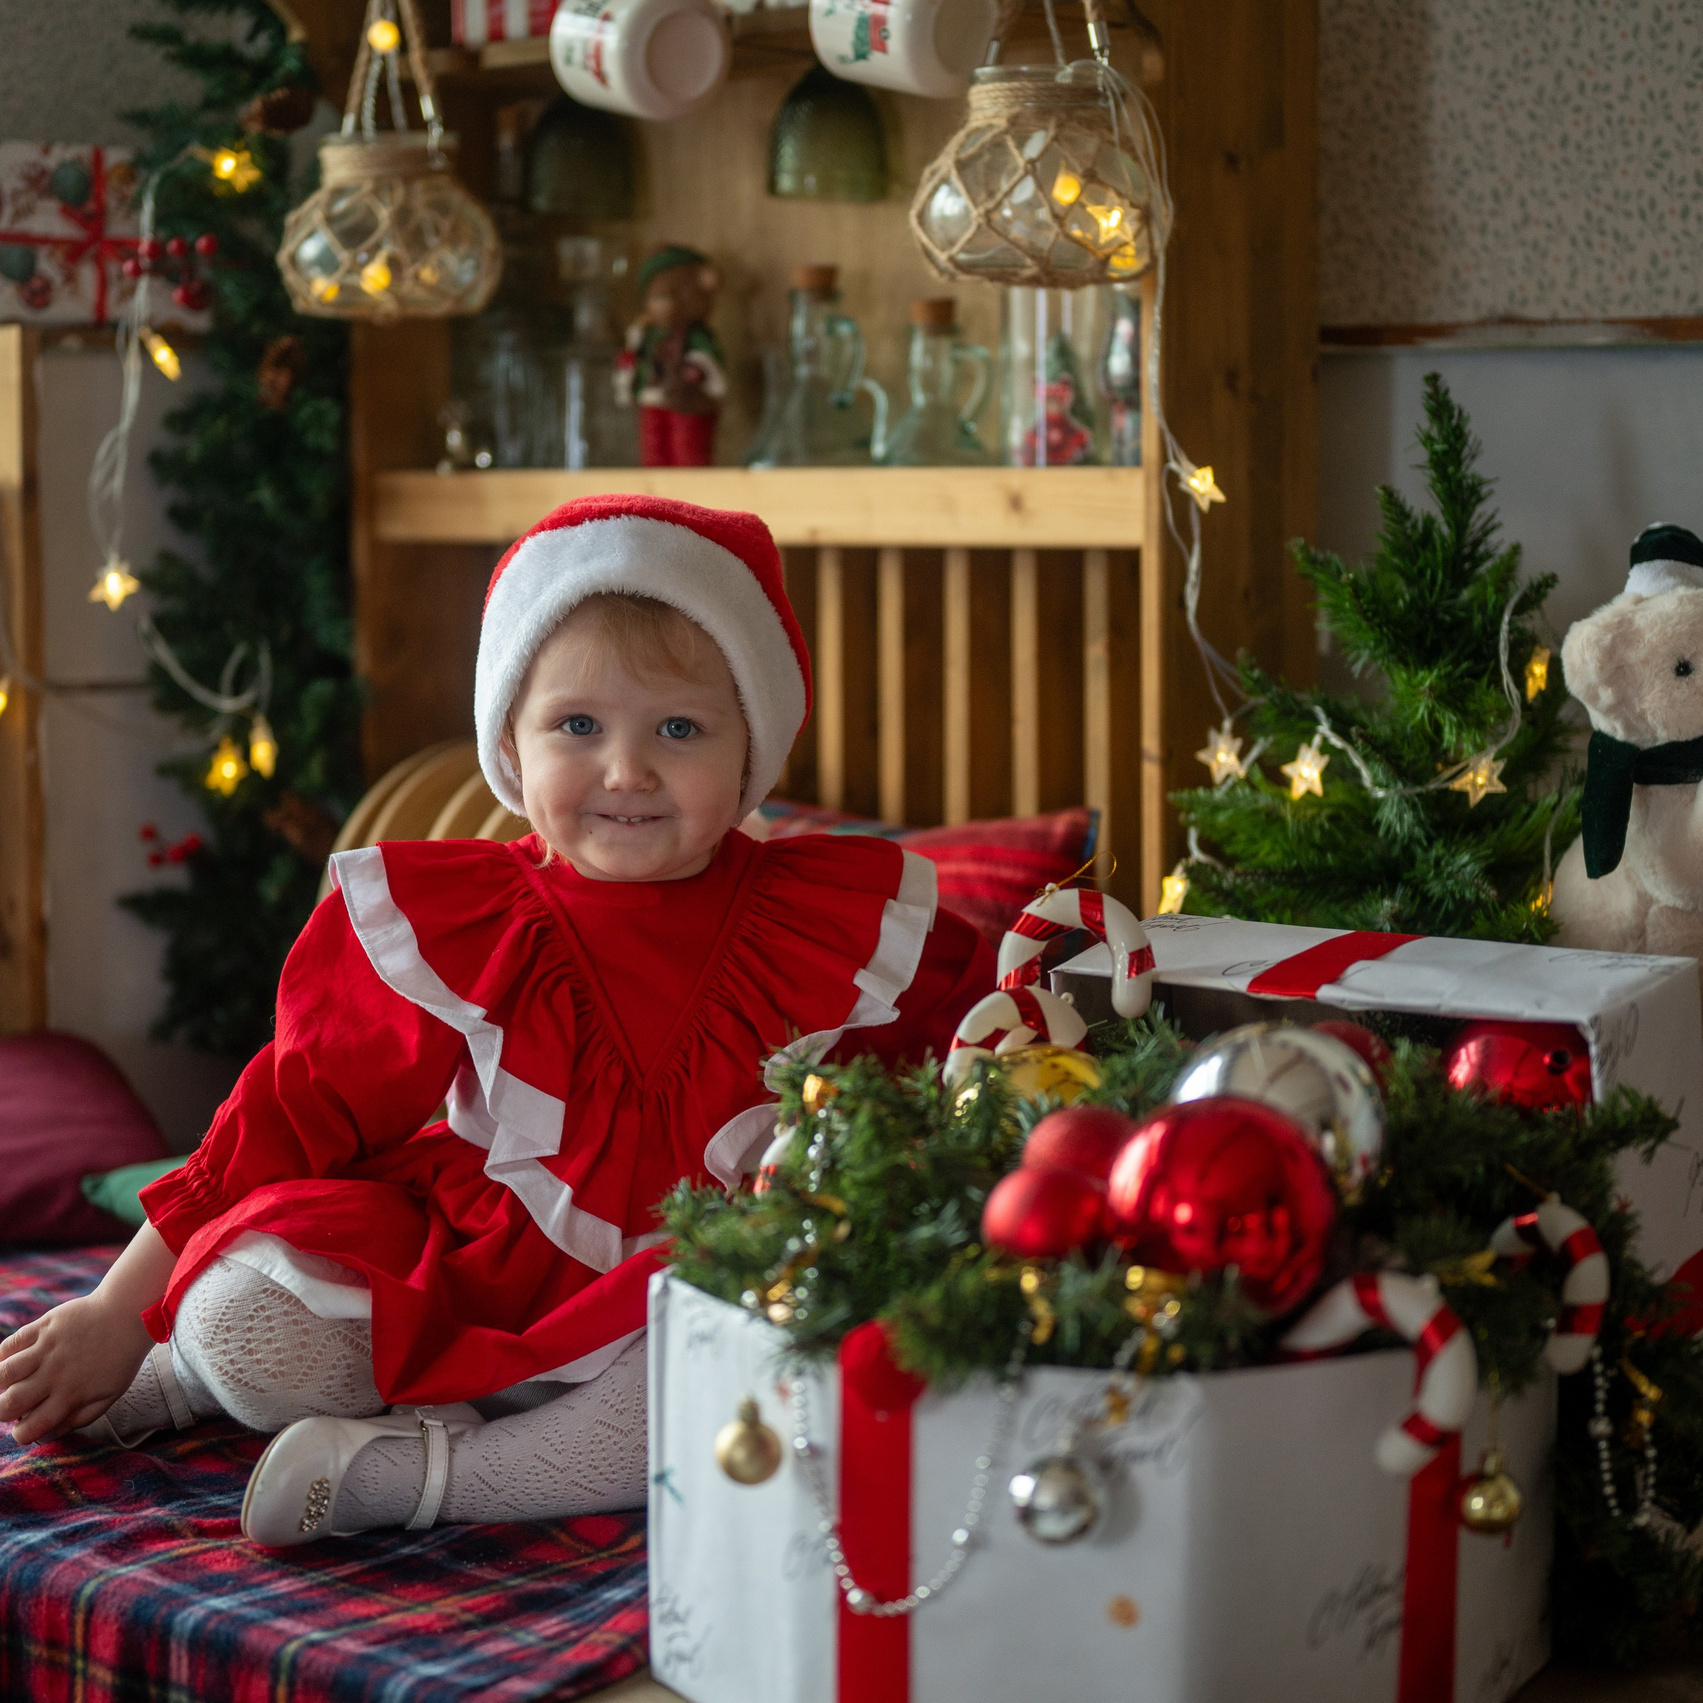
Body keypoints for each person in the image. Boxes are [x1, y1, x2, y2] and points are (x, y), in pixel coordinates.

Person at [0, 495, 992, 1545]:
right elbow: (288, 1111)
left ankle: (428, 1475)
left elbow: (982, 1054)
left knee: (746, 1361)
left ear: (753, 744)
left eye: (679, 728)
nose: (625, 769)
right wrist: (116, 1309)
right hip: (476, 1272)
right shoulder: (466, 918)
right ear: (509, 746)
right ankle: (180, 1372)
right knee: (243, 1320)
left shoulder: (836, 919)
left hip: (680, 1295)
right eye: (577, 724)